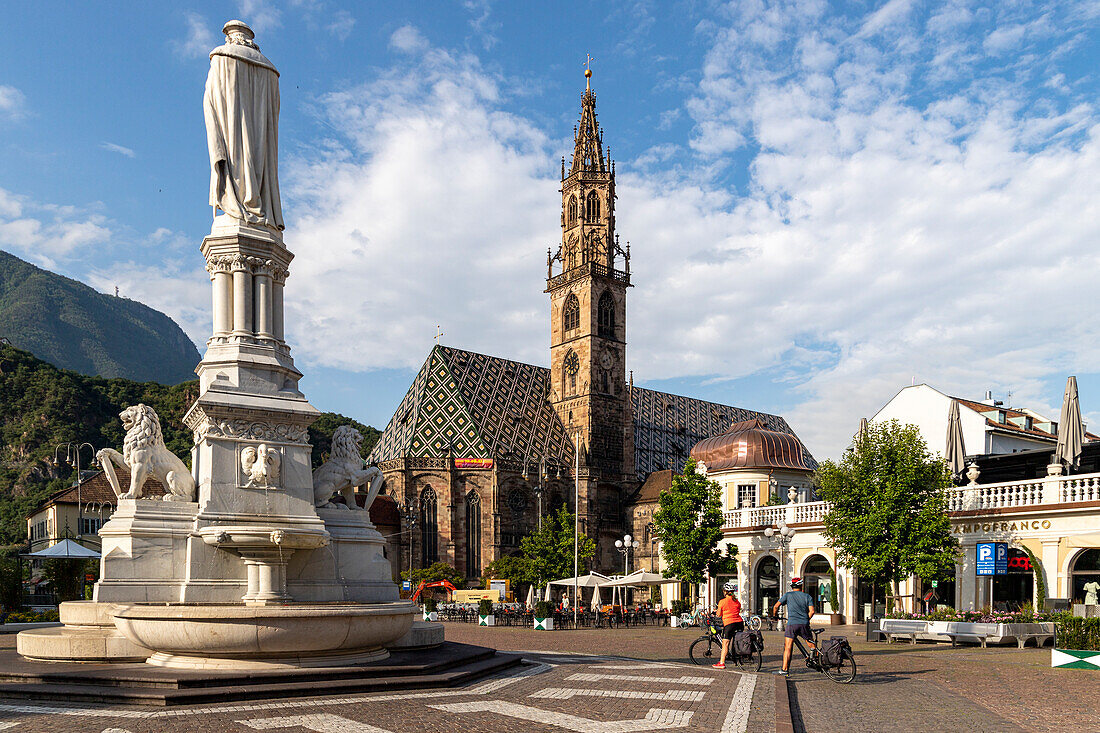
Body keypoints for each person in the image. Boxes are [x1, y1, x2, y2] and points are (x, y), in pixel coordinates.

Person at [772, 577, 815, 676]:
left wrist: (774, 616)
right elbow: (812, 611)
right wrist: (806, 619)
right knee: (811, 644)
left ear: (792, 586)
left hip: (792, 624)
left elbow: (775, 606)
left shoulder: (788, 595)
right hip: (804, 624)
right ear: (801, 586)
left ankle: (784, 669)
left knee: (788, 647)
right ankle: (817, 660)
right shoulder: (807, 596)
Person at [712, 581, 744, 669]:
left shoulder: (722, 601)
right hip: (739, 623)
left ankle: (722, 663)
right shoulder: (737, 601)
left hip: (729, 624)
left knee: (725, 643)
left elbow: (718, 615)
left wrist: (716, 612)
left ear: (725, 592)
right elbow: (736, 610)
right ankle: (738, 657)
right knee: (737, 641)